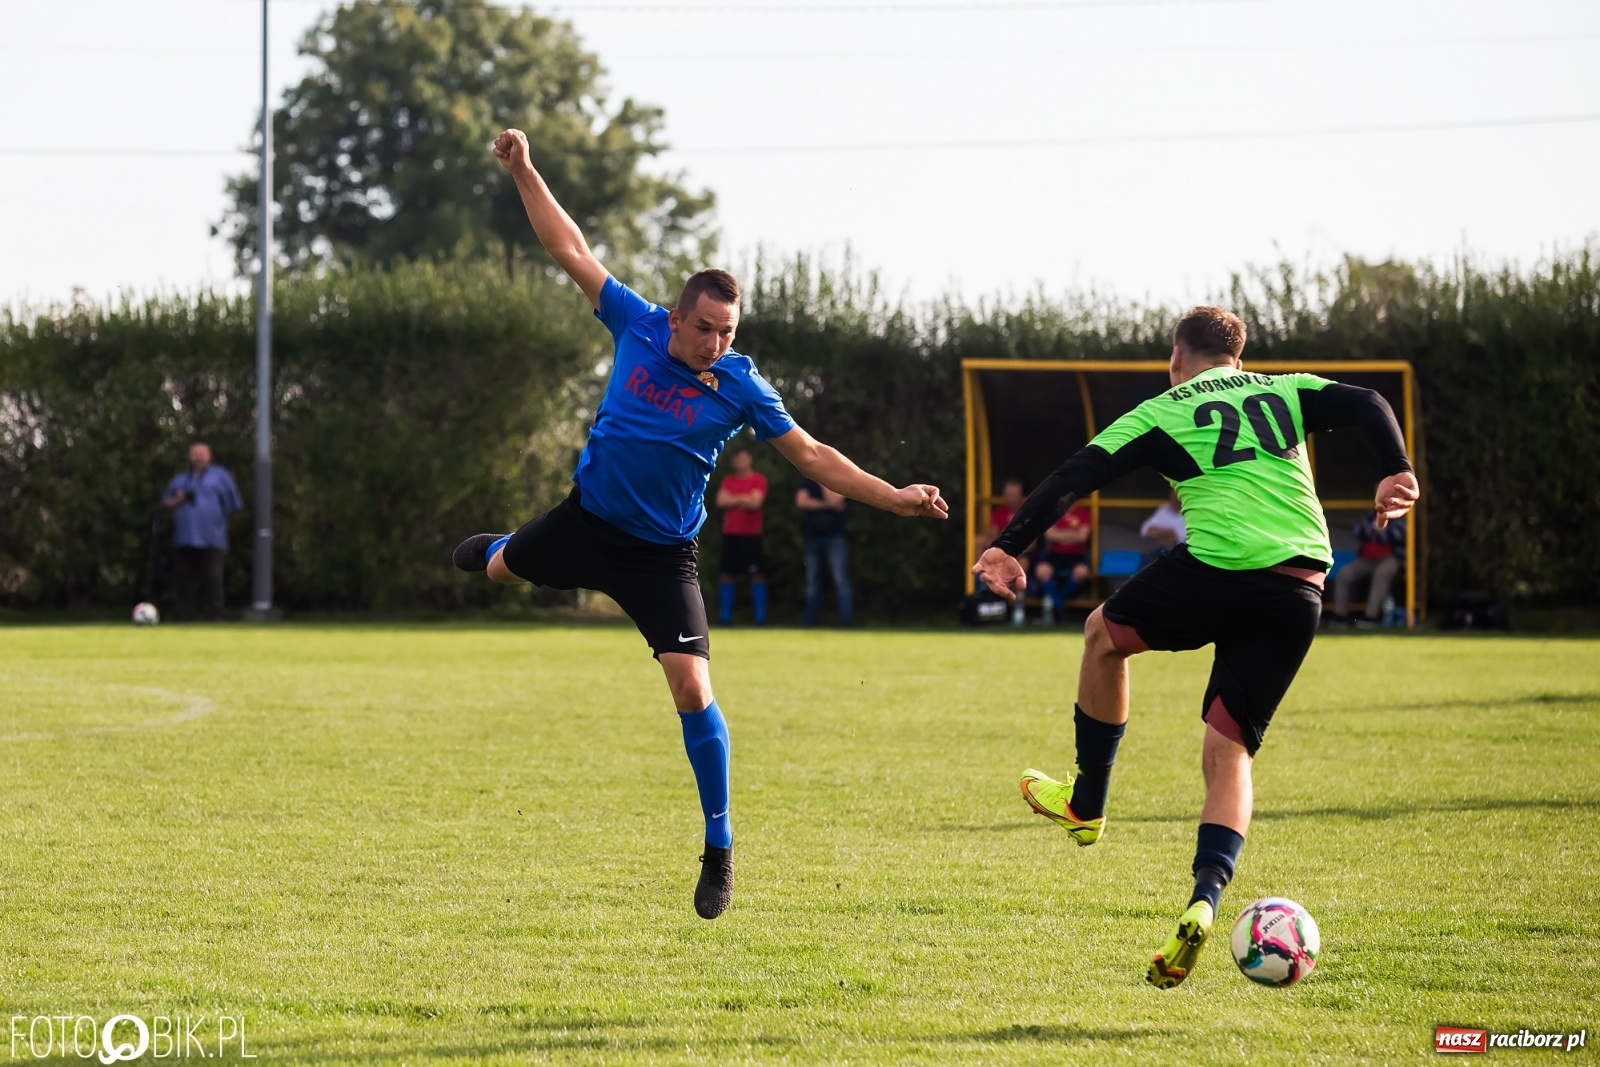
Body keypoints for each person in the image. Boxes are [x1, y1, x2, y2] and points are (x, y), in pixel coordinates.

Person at [454, 128, 948, 920]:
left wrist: (894, 496)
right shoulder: (635, 323)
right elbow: (570, 247)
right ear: (677, 317)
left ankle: (719, 846)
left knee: (692, 687)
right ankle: (505, 547)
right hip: (586, 523)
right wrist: (524, 169)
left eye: (729, 332)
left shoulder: (741, 385)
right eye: (706, 327)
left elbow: (814, 456)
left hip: (660, 556)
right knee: (497, 571)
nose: (716, 341)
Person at [972, 306, 1417, 988]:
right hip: (1299, 586)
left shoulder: (1164, 408)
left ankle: (1086, 802)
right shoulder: (1286, 388)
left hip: (1216, 570)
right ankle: (1206, 899)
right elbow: (1369, 401)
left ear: (1176, 358)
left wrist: (1007, 546)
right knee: (1229, 750)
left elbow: (1072, 477)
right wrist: (1394, 469)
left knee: (1102, 637)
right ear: (1240, 356)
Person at [160, 442, 242, 622]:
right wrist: (178, 500)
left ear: (210, 456)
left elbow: (233, 505)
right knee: (185, 580)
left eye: (202, 454)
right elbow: (166, 503)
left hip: (212, 538)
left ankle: (216, 616)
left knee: (213, 578)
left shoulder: (221, 476)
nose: (199, 457)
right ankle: (185, 617)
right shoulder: (180, 479)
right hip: (184, 538)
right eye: (195, 454)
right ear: (190, 457)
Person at [715, 449, 768, 625]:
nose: (740, 462)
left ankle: (760, 618)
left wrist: (734, 499)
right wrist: (745, 498)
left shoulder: (758, 479)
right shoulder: (728, 480)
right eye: (737, 459)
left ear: (750, 459)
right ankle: (725, 617)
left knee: (756, 574)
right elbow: (721, 501)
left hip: (752, 535)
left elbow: (755, 503)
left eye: (743, 458)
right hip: (731, 535)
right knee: (727, 574)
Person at [1329, 510, 1406, 628]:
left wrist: (1374, 531)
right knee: (1344, 574)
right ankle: (1340, 617)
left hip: (1391, 558)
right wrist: (1378, 531)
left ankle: (1371, 617)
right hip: (1366, 559)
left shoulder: (1399, 514)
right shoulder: (1371, 514)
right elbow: (1357, 530)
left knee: (1381, 574)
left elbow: (1396, 535)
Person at [796, 477, 852, 627]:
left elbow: (835, 501)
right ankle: (809, 623)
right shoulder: (807, 481)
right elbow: (801, 501)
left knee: (840, 579)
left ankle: (845, 622)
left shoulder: (838, 481)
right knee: (812, 581)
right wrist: (825, 505)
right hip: (813, 537)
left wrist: (824, 481)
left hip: (834, 537)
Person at [1032, 501, 1092, 620]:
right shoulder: (1054, 512)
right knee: (1041, 571)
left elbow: (1082, 537)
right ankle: (1059, 605)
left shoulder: (1084, 513)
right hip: (1055, 553)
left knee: (1081, 572)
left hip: (1077, 554)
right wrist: (1072, 535)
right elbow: (1050, 535)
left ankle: (1058, 602)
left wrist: (1060, 535)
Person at [1139, 491, 1187, 560]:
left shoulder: (1190, 514)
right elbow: (1144, 530)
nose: (1175, 497)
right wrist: (1168, 534)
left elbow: (1178, 539)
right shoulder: (1164, 508)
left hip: (1178, 555)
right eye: (1173, 494)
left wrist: (1158, 533)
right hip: (1157, 551)